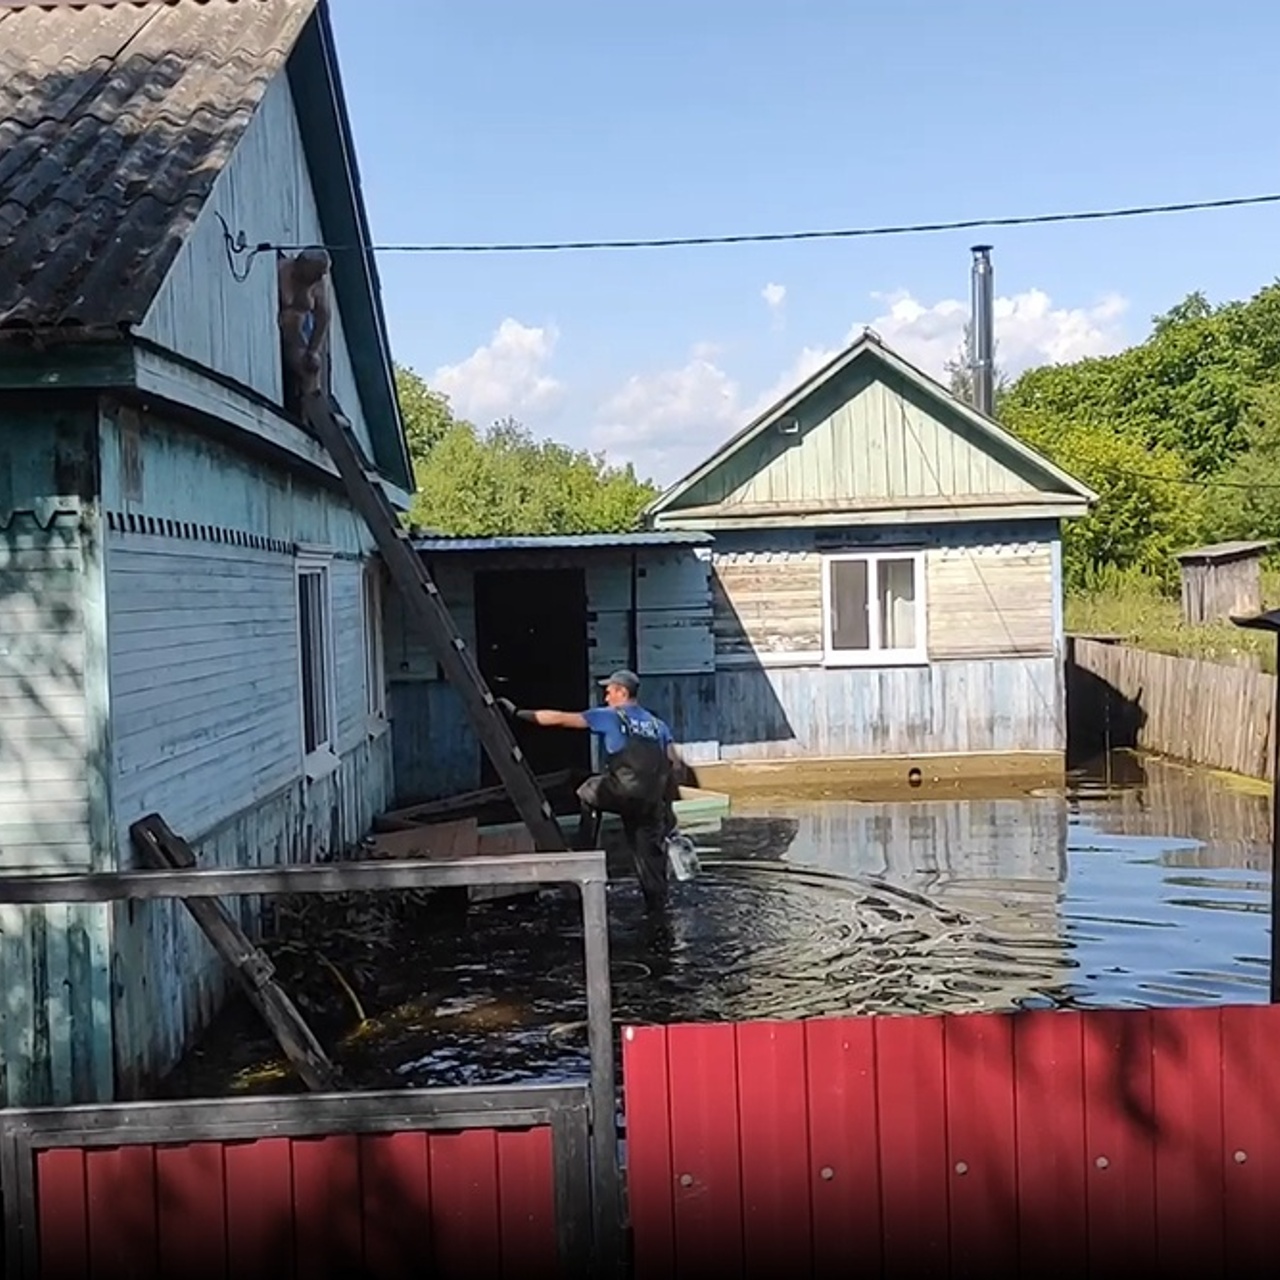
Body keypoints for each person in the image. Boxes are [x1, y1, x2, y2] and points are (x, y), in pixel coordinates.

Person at [498, 670, 682, 910]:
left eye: (609, 692)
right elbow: (675, 767)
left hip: (622, 792)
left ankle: (585, 851)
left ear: (622, 692)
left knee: (587, 789)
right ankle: (658, 917)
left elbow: (560, 718)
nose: (606, 698)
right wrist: (667, 808)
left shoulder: (611, 716)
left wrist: (517, 712)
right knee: (651, 866)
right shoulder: (659, 726)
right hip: (651, 803)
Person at [277, 247, 332, 413]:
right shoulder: (282, 269)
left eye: (322, 273)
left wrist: (313, 350)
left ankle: (312, 413)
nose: (319, 277)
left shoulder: (317, 284)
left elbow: (323, 317)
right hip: (281, 336)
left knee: (313, 366)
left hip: (299, 339)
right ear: (303, 265)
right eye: (317, 272)